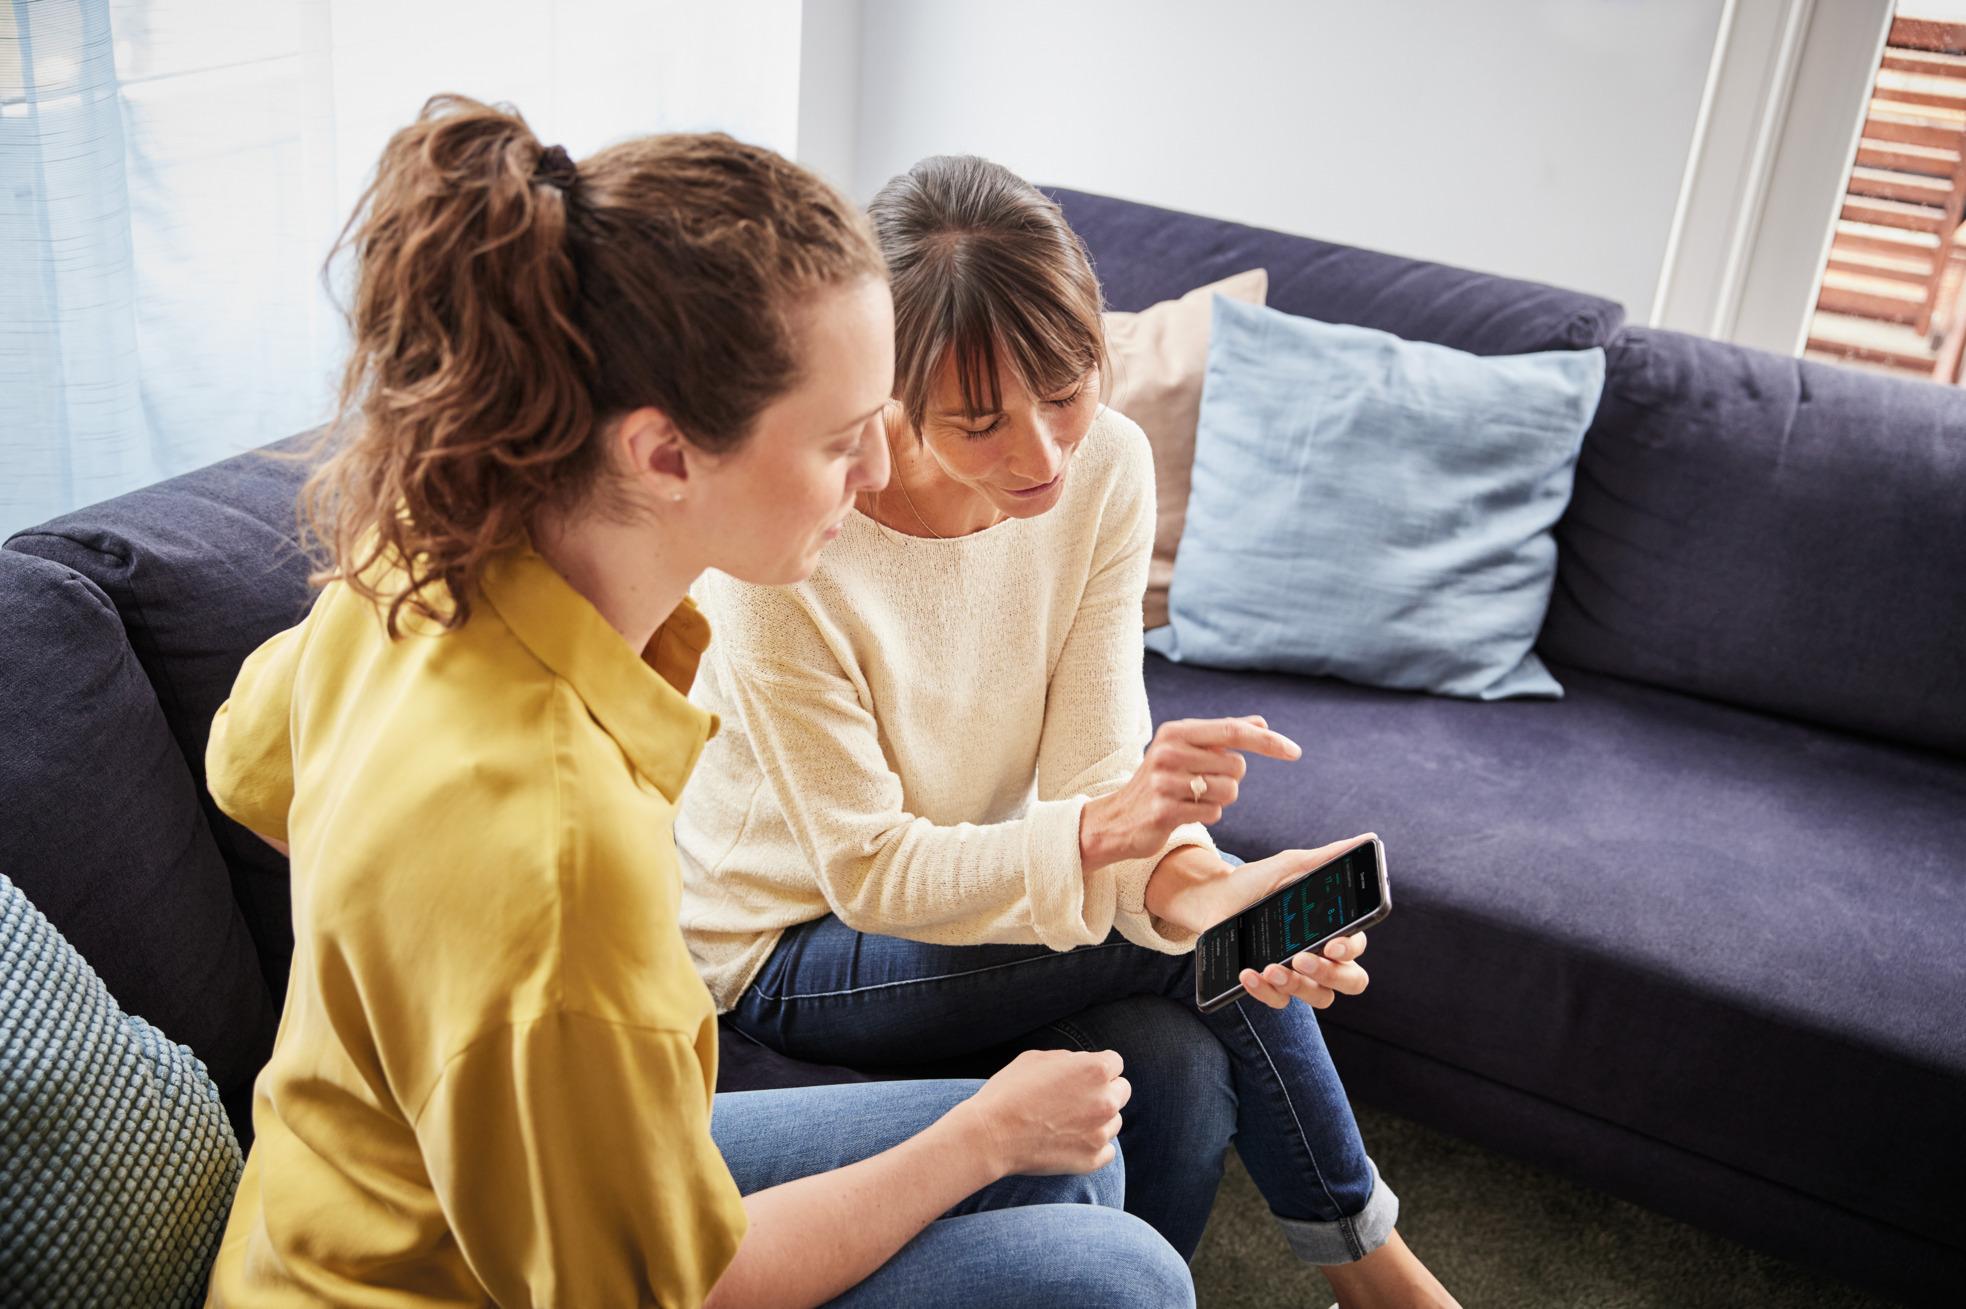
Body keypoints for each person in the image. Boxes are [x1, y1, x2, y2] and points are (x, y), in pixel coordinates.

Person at [201, 100, 1193, 1308]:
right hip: (428, 1283)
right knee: (1111, 1270)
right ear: (664, 456)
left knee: (1084, 1173)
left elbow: (249, 771)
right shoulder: (561, 860)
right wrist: (979, 1138)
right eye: (840, 443)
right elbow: (666, 1294)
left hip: (386, 1186)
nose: (883, 471)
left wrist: (438, 1039)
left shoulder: (420, 557)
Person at [677, 155, 1461, 1308]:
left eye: (1065, 391)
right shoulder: (793, 546)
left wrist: (1205, 888)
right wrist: (1169, 876)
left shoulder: (1107, 465)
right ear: (892, 393)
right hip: (790, 939)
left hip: (985, 894)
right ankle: (1375, 1269)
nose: (1041, 454)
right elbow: (870, 868)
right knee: (1187, 953)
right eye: (980, 419)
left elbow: (1096, 771)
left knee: (1182, 1070)